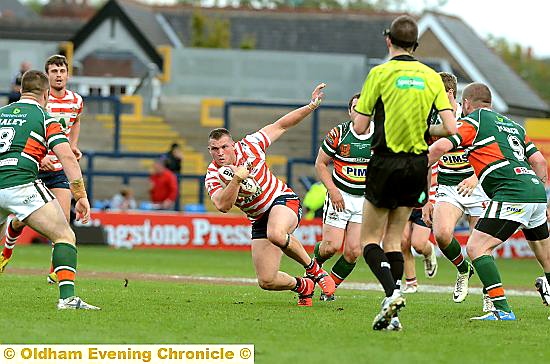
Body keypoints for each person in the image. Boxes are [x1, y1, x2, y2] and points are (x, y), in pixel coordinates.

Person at [352, 14, 457, 330]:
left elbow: (359, 126)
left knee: (369, 238)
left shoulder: (380, 73)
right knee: (394, 240)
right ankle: (392, 316)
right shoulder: (431, 77)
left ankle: (393, 292)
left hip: (385, 161)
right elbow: (452, 129)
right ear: (415, 44)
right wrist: (431, 137)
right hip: (416, 165)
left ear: (389, 40)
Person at [204, 83, 335, 307]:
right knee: (267, 280)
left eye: (224, 147)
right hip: (259, 218)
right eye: (215, 149)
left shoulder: (252, 145)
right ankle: (304, 285)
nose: (220, 153)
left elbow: (281, 125)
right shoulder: (213, 175)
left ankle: (316, 271)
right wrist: (236, 179)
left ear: (233, 145)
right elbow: (223, 206)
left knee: (276, 233)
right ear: (210, 151)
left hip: (282, 201)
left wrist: (311, 106)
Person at [429, 82, 550, 321]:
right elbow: (539, 163)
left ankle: (502, 309)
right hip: (535, 192)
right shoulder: (513, 125)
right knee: (545, 257)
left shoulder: (473, 121)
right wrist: (540, 195)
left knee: (476, 247)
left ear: (465, 104)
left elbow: (441, 145)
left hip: (511, 193)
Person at [0, 70, 98, 309]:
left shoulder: (1, 114)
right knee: (65, 235)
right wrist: (81, 196)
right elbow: (67, 157)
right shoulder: (44, 117)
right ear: (45, 94)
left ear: (20, 90)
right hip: (21, 184)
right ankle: (67, 299)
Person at [422, 72, 492, 308]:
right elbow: (427, 161)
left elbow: (489, 152)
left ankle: (490, 296)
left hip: (477, 185)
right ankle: (464, 269)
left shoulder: (470, 116)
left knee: (480, 244)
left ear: (449, 94)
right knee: (441, 235)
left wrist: (475, 176)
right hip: (449, 186)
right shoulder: (431, 121)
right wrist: (426, 200)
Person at [312, 93, 373, 302]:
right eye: (355, 107)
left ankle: (329, 288)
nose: (359, 111)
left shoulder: (381, 135)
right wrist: (333, 191)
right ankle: (312, 269)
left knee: (354, 252)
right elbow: (320, 164)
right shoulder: (338, 133)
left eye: (363, 108)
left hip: (365, 201)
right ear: (349, 112)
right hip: (341, 196)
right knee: (330, 247)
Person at [400, 166, 439, 293]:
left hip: (425, 203)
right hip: (404, 203)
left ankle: (428, 251)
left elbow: (434, 178)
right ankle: (411, 282)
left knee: (418, 245)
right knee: (403, 242)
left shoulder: (432, 151)